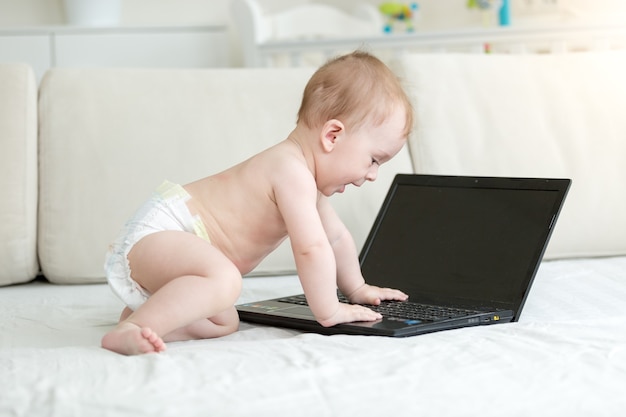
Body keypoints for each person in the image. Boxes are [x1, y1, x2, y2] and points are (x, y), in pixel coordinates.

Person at [101, 50, 414, 355]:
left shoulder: (308, 183)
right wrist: (329, 310)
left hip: (175, 254)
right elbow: (311, 248)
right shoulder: (289, 170)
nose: (373, 175)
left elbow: (334, 238)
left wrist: (357, 290)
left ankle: (144, 321)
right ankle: (130, 331)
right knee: (225, 281)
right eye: (374, 160)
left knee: (224, 321)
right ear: (332, 135)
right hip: (165, 230)